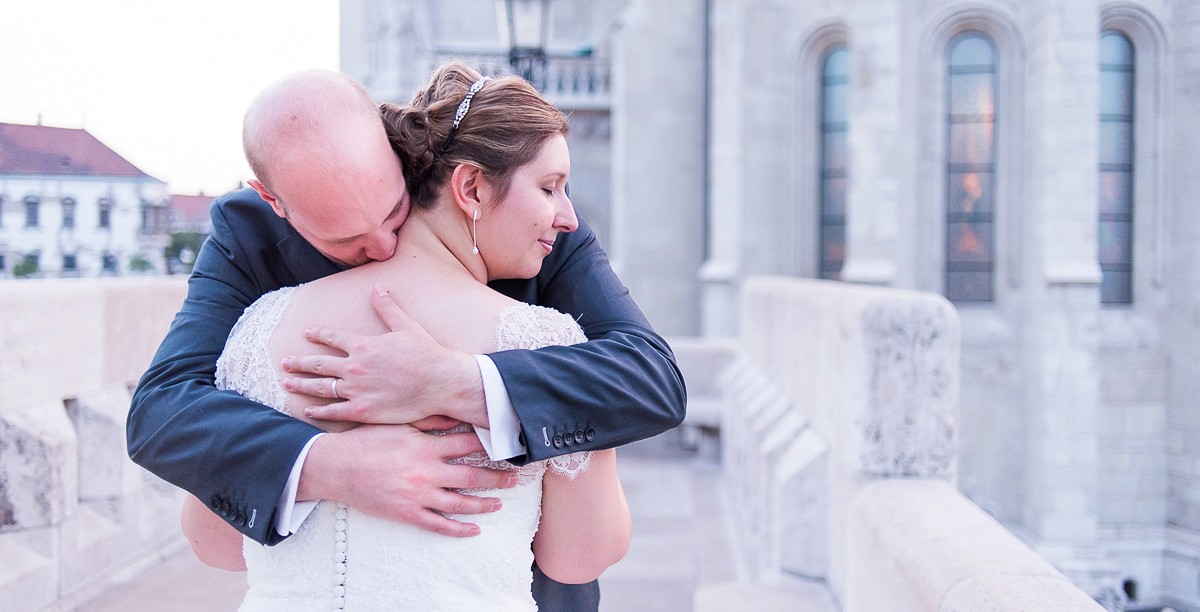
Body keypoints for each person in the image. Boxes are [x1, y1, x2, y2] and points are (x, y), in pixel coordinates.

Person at [127, 63, 685, 610]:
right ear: (276, 204)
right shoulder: (247, 234)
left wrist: (457, 381)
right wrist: (331, 467)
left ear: (392, 148)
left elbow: (651, 377)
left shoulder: (261, 328)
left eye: (395, 210)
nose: (385, 250)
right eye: (346, 237)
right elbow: (162, 408)